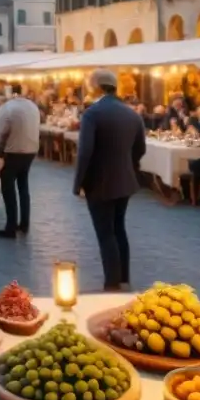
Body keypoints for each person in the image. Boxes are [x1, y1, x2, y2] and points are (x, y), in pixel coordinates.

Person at [74, 69, 146, 291]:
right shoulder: (132, 113)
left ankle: (112, 282)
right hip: (124, 180)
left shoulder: (92, 114)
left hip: (100, 181)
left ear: (96, 87)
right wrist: (128, 166)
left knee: (105, 232)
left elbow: (85, 151)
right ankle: (123, 275)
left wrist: (79, 183)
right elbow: (140, 148)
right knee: (118, 228)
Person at [0, 84, 41, 239]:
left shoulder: (7, 108)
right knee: (23, 186)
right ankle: (24, 223)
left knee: (7, 188)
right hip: (30, 151)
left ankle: (11, 226)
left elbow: (1, 132)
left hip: (12, 151)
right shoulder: (33, 106)